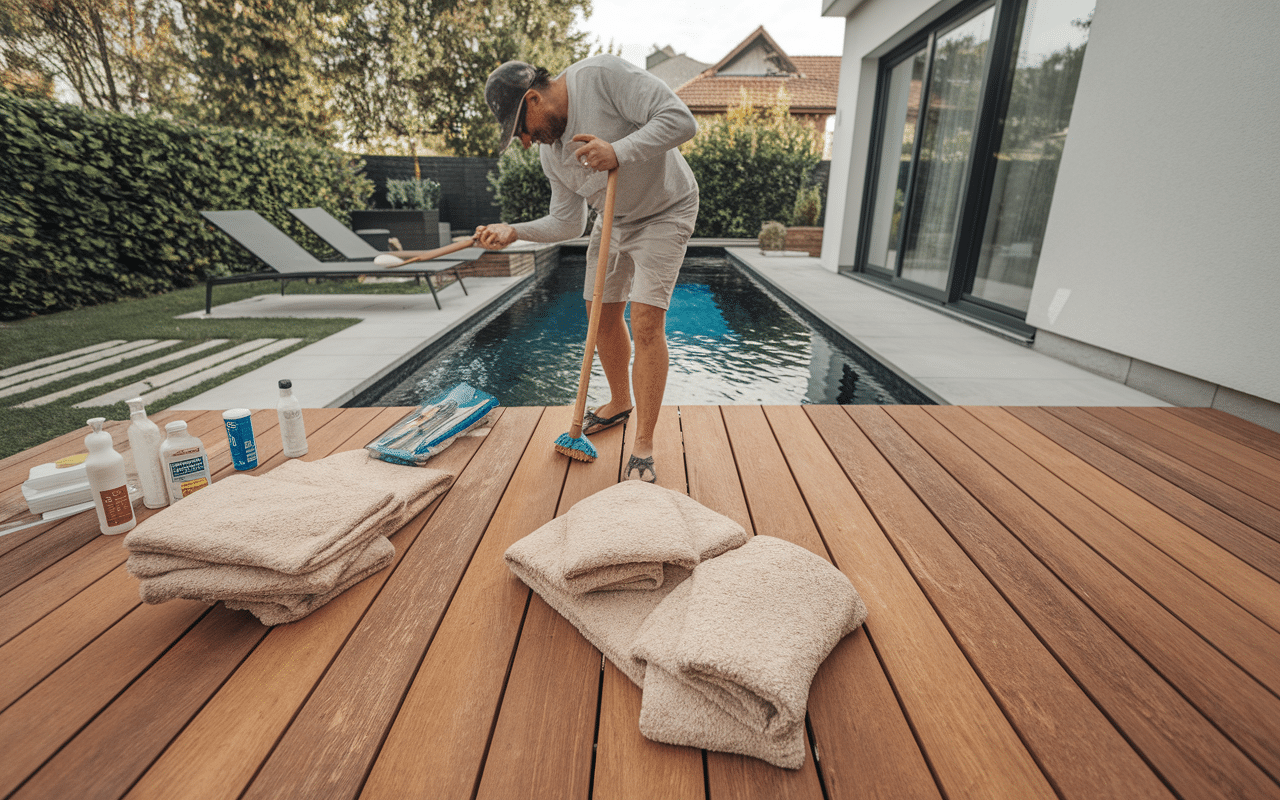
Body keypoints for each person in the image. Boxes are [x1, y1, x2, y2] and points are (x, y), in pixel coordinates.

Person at [475, 55, 699, 484]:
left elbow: (681, 120)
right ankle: (620, 401)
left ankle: (645, 444)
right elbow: (568, 223)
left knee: (648, 320)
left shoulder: (600, 76)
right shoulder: (552, 156)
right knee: (599, 313)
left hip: (665, 209)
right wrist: (513, 231)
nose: (525, 142)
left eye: (522, 130)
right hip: (612, 220)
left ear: (534, 99)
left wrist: (618, 150)